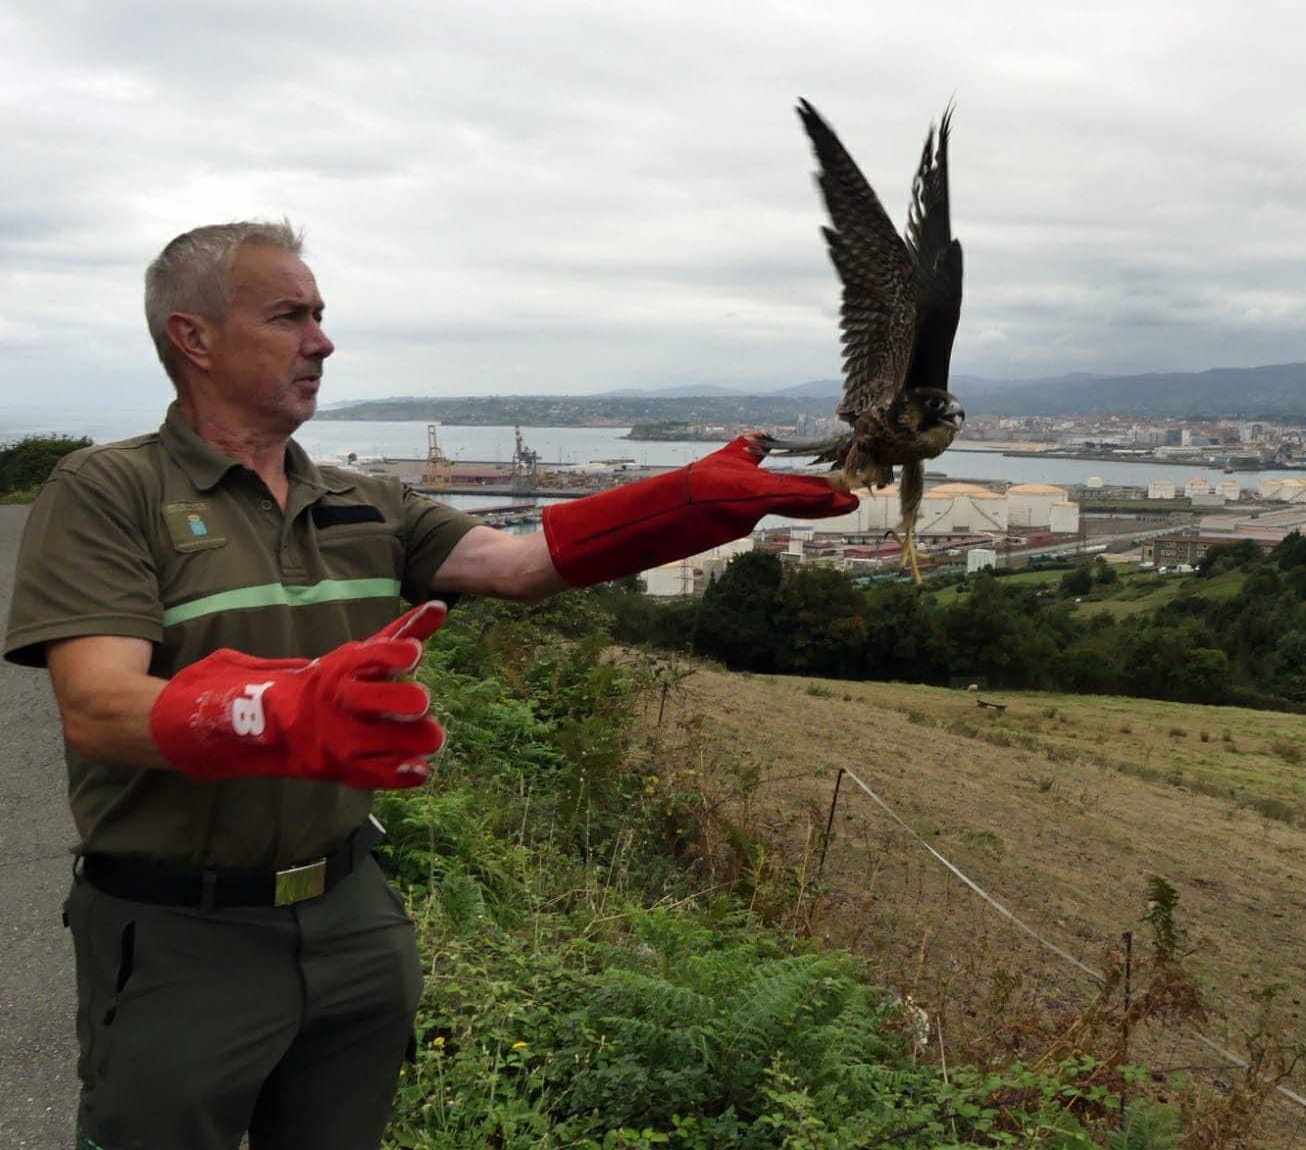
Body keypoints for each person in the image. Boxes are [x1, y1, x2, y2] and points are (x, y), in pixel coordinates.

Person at [3, 220, 856, 1150]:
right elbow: (97, 706)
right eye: (289, 316)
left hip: (351, 913)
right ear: (193, 337)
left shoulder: (367, 499)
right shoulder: (106, 490)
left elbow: (522, 564)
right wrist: (281, 710)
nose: (321, 341)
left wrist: (681, 505)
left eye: (321, 315)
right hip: (177, 931)